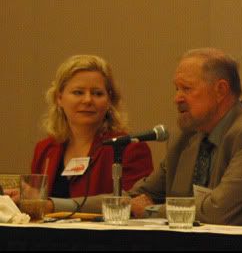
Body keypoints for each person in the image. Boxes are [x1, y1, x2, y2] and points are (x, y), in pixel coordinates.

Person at [127, 48, 242, 226]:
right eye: (176, 88)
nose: (177, 98)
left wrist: (150, 211)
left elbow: (218, 213)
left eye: (186, 88)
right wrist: (114, 204)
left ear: (220, 90)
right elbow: (136, 197)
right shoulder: (185, 137)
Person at [29, 55, 153, 211]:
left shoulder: (129, 148)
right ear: (59, 98)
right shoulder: (45, 149)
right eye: (78, 92)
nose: (88, 100)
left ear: (109, 100)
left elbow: (135, 205)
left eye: (97, 94)